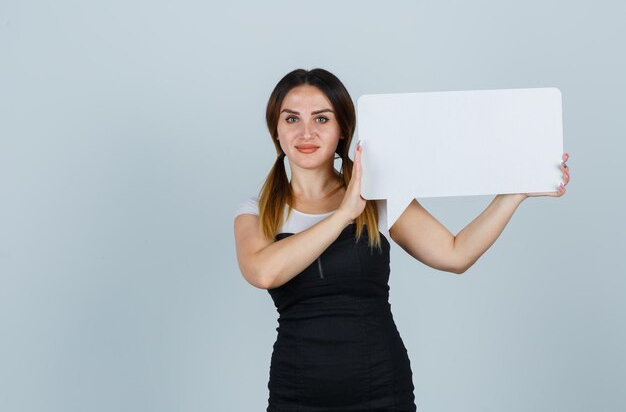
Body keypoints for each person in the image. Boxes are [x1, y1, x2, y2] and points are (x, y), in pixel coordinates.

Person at [233, 68, 571, 412]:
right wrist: (343, 215)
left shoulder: (378, 195)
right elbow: (263, 273)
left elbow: (455, 255)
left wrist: (513, 194)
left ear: (342, 130)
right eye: (292, 119)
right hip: (296, 393)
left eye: (321, 119)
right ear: (276, 131)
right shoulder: (257, 212)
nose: (306, 132)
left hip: (380, 388)